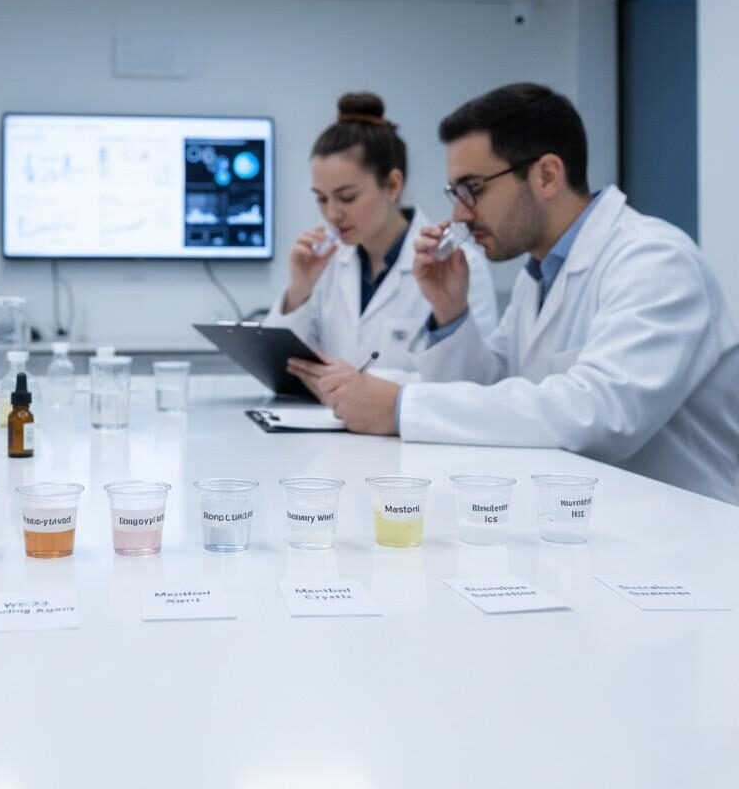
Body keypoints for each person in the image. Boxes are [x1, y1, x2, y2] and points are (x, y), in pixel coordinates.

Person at [295, 83, 739, 503]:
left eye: (473, 189)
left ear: (546, 175)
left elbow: (600, 414)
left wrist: (399, 406)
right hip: (589, 519)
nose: (459, 214)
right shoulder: (538, 275)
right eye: (454, 192)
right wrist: (451, 315)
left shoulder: (655, 260)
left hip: (687, 532)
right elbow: (494, 388)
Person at [265, 92, 497, 387]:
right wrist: (299, 290)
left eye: (347, 197)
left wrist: (360, 385)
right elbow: (279, 372)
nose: (332, 214)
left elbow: (476, 385)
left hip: (409, 433)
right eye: (321, 199)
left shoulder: (458, 265)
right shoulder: (327, 263)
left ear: (392, 185)